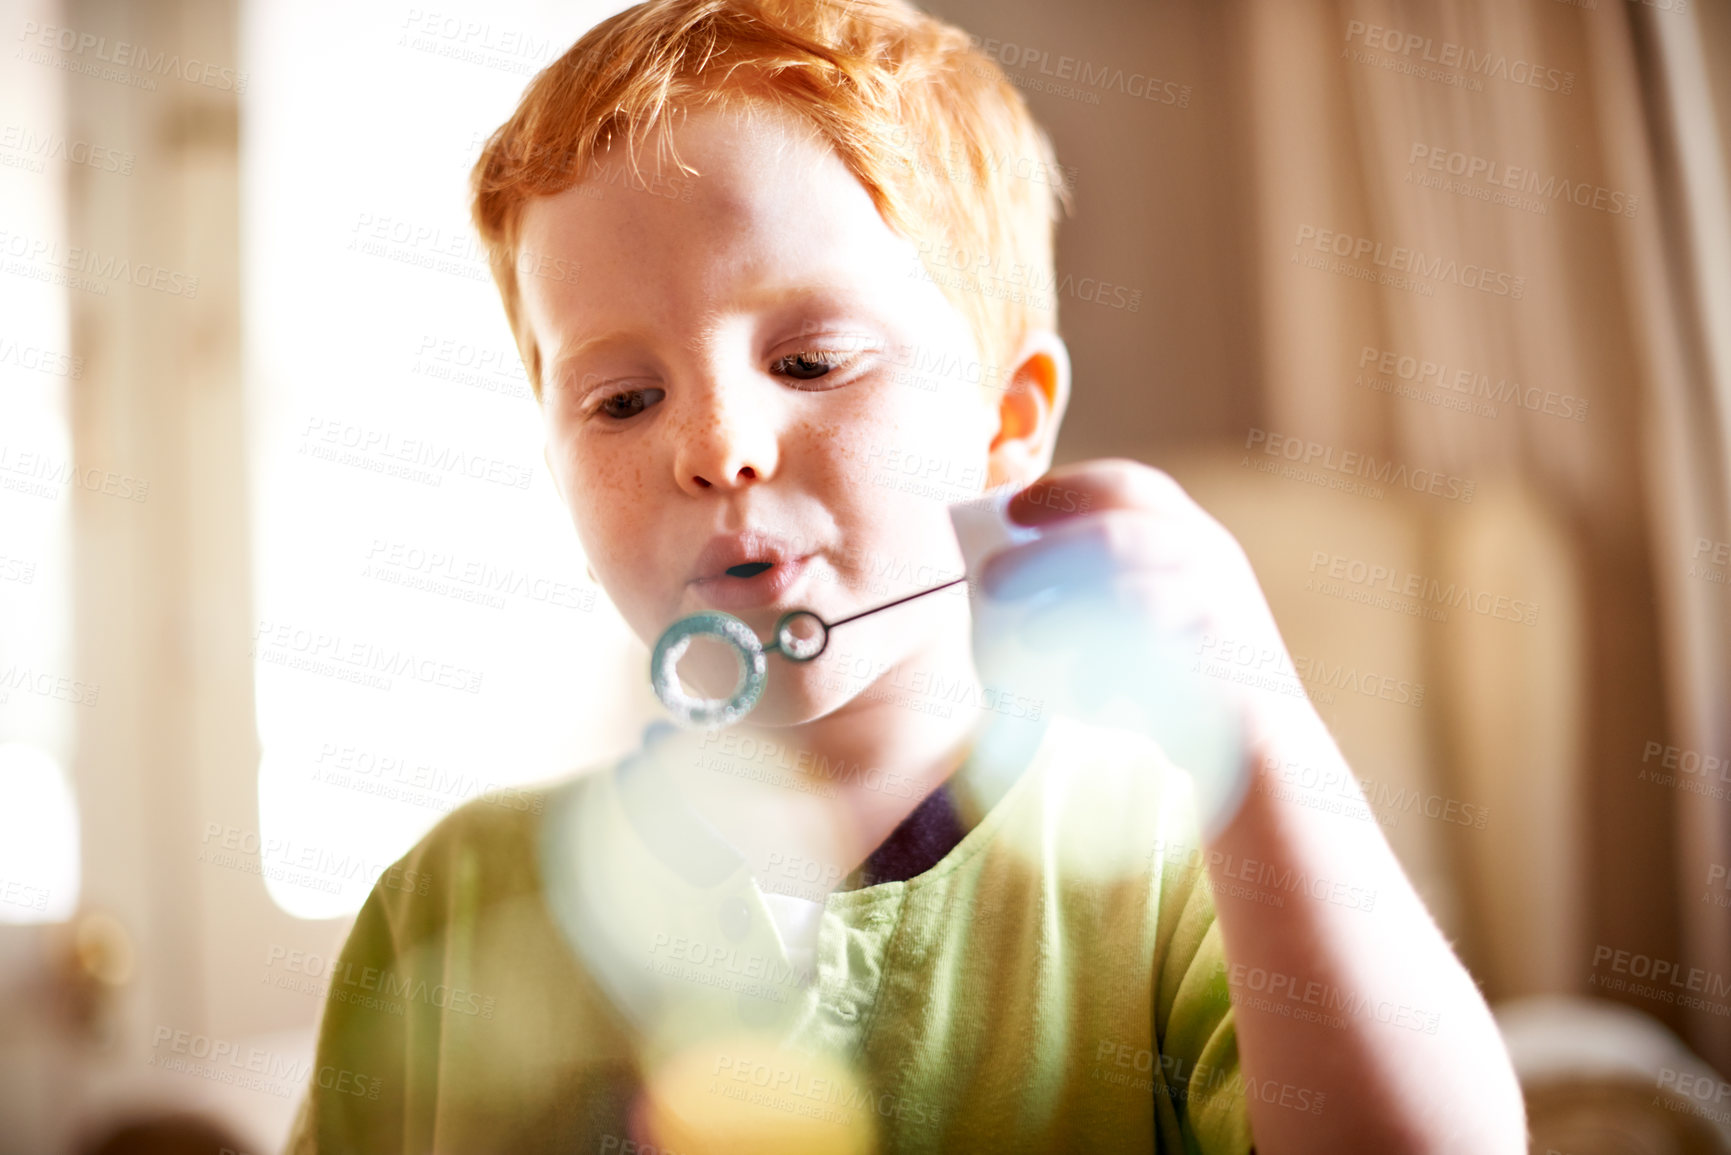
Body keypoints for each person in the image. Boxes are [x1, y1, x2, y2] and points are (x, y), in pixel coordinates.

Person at [284, 1, 1528, 1150]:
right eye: (621, 400)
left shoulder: (1180, 865)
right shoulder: (443, 907)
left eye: (812, 363)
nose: (716, 446)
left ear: (1007, 422)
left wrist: (1258, 722)